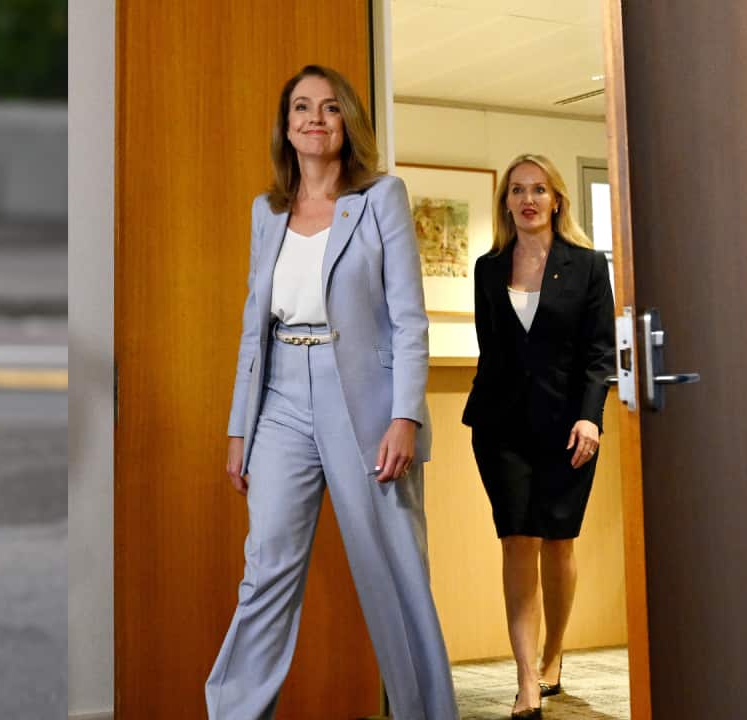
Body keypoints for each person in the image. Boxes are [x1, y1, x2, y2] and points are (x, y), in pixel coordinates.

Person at [205, 64, 458, 720]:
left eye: (329, 108)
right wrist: (240, 427)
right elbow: (252, 328)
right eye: (301, 109)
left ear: (347, 123)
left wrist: (405, 416)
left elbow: (409, 317)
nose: (315, 119)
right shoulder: (268, 212)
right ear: (285, 128)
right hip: (281, 399)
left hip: (365, 404)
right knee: (265, 570)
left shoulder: (382, 198)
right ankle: (234, 711)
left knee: (395, 573)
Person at [462, 153, 615, 719]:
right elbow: (493, 350)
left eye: (539, 190)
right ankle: (527, 677)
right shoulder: (487, 267)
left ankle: (553, 656)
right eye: (518, 190)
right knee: (516, 538)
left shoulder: (587, 265)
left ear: (556, 200)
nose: (528, 199)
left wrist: (590, 415)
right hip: (501, 426)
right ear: (506, 201)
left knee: (558, 538)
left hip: (568, 425)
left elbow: (600, 353)